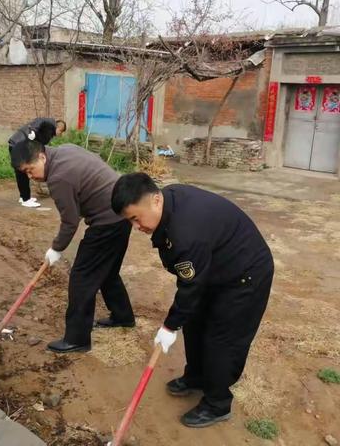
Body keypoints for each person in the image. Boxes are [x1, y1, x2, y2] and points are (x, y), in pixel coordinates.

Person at [111, 173, 273, 428]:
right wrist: (179, 322)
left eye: (135, 218)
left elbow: (190, 285)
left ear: (155, 200)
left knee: (221, 339)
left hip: (245, 275)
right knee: (195, 323)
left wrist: (169, 326)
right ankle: (196, 376)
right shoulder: (169, 201)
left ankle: (217, 403)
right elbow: (192, 283)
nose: (136, 227)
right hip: (216, 267)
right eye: (129, 221)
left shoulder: (186, 233)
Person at [9, 140, 135, 353]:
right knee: (108, 271)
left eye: (31, 170)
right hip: (123, 214)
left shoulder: (59, 178)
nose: (31, 177)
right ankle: (123, 316)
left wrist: (56, 248)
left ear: (42, 157)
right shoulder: (64, 150)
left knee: (82, 278)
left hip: (107, 222)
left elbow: (70, 221)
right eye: (25, 173)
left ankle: (77, 339)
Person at [8, 118, 66, 208]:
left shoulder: (47, 130)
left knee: (23, 171)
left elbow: (40, 144)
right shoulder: (49, 124)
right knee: (24, 171)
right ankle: (25, 200)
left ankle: (23, 196)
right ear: (58, 128)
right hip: (18, 144)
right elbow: (39, 121)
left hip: (19, 144)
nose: (60, 135)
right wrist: (33, 131)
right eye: (61, 132)